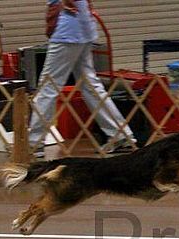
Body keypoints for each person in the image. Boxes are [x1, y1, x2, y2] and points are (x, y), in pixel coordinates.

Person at [29, 0, 136, 158]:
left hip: (66, 32)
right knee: (91, 86)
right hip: (84, 30)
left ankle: (34, 143)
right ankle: (120, 134)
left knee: (48, 86)